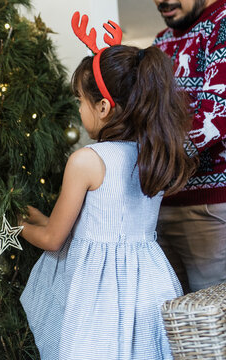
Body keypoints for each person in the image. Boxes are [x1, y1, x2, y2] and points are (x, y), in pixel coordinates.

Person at [19, 12, 195, 360]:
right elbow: (86, 225)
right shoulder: (153, 154)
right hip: (148, 284)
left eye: (80, 102)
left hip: (99, 295)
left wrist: (16, 225)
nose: (78, 109)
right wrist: (38, 217)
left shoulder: (87, 160)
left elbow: (55, 239)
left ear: (103, 106)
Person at [152, 0, 226, 294]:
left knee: (216, 321)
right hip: (163, 202)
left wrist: (145, 163)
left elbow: (219, 113)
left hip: (217, 206)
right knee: (173, 323)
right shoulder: (162, 41)